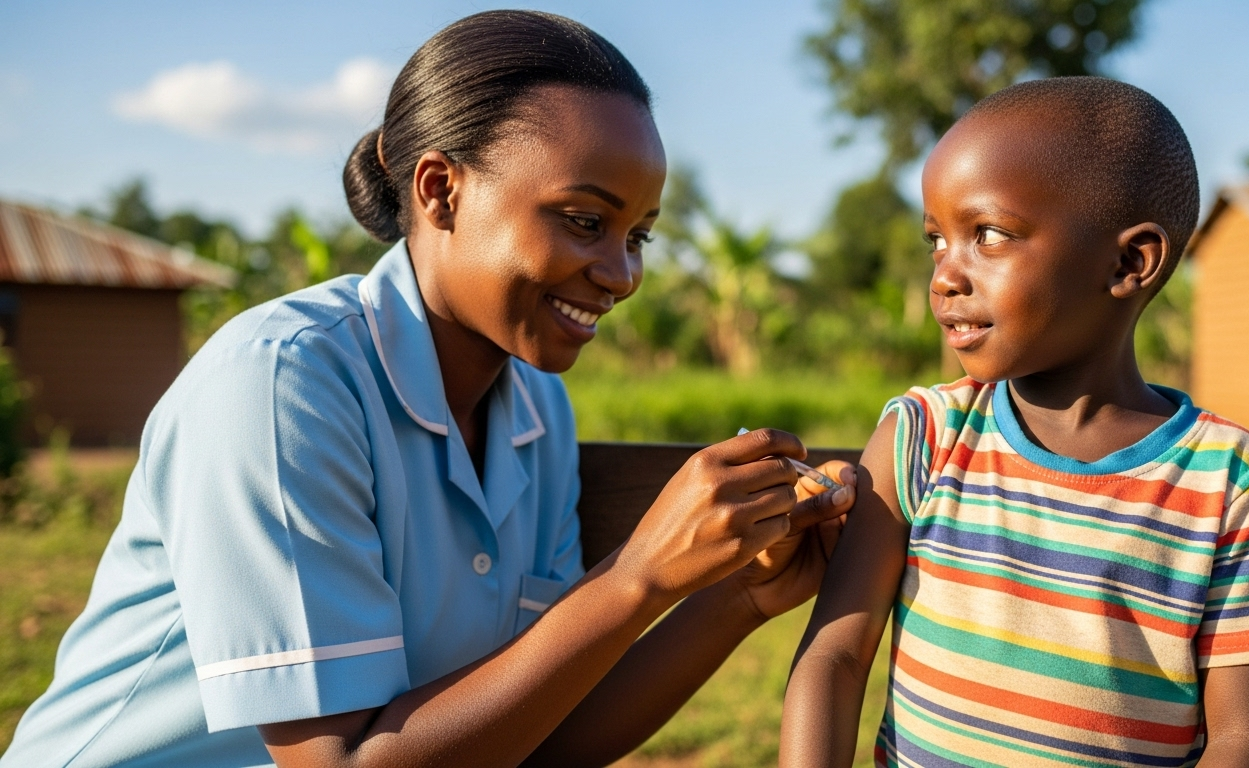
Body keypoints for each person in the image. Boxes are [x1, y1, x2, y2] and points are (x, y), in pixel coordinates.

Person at [2, 11, 856, 768]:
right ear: (441, 190)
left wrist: (737, 597)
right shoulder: (281, 385)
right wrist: (635, 577)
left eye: (639, 236)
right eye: (586, 222)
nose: (622, 274)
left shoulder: (533, 410)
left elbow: (535, 734)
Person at [779, 77, 1249, 768]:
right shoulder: (923, 437)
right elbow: (835, 656)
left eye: (986, 235)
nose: (944, 276)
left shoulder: (1230, 480)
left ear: (1129, 262)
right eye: (937, 240)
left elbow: (1244, 739)